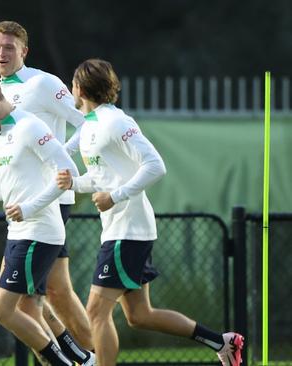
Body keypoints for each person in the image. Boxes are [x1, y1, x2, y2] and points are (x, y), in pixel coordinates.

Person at [56, 58, 244, 366]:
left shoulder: (117, 122)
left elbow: (155, 166)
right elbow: (105, 177)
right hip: (122, 229)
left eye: (72, 84)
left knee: (95, 313)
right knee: (140, 315)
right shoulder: (91, 126)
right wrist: (74, 183)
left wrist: (116, 196)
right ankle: (221, 342)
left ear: (79, 88)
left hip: (127, 231)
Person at [0, 21, 94, 361]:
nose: (1, 53)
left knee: (47, 294)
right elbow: (3, 152)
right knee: (32, 299)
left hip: (51, 199)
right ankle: (81, 358)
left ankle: (94, 356)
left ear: (24, 51)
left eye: (9, 47)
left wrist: (58, 156)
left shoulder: (42, 84)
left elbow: (86, 124)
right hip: (22, 202)